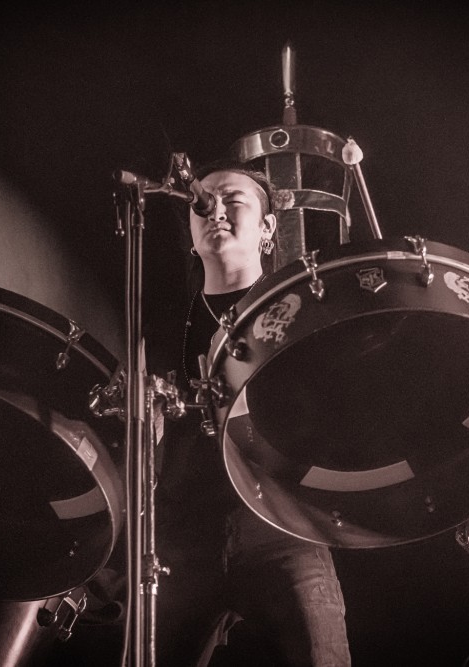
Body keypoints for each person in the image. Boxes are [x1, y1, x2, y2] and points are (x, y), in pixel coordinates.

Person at [149, 162, 352, 666]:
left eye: (233, 200)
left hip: (282, 529)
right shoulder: (162, 324)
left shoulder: (303, 309)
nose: (214, 209)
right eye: (204, 201)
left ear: (267, 228)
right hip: (183, 539)